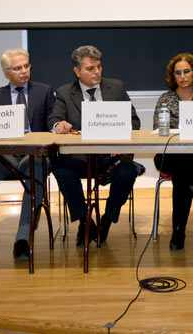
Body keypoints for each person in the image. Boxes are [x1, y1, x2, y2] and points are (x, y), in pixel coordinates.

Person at [0, 48, 54, 262]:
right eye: (18, 68)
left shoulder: (44, 91)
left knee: (37, 167)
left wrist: (58, 126)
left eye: (26, 66)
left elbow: (52, 120)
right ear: (6, 73)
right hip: (4, 154)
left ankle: (23, 237)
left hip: (33, 154)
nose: (24, 71)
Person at [48, 45, 141, 246]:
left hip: (111, 155)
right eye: (90, 68)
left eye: (99, 66)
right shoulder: (64, 92)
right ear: (77, 71)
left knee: (127, 171)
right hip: (79, 157)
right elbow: (54, 119)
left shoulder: (116, 87)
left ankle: (107, 219)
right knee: (61, 169)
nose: (97, 71)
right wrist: (59, 125)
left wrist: (122, 143)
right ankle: (84, 221)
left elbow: (134, 121)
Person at [152, 53, 193, 251]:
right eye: (178, 73)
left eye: (186, 72)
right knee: (184, 168)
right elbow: (157, 129)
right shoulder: (165, 99)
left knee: (182, 175)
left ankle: (178, 233)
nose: (182, 76)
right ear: (173, 76)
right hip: (170, 156)